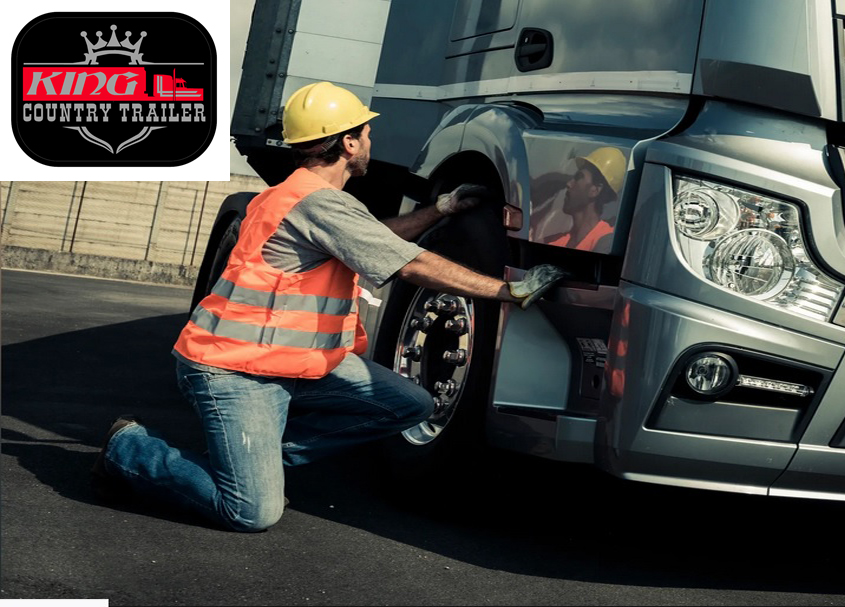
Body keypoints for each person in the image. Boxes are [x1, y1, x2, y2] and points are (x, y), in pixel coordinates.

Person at [90, 81, 568, 532]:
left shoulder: (301, 195)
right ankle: (129, 448)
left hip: (293, 364)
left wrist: (439, 210)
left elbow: (374, 240)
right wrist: (508, 291)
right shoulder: (319, 204)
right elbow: (407, 264)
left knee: (410, 403)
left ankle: (256, 459)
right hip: (235, 369)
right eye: (365, 132)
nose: (370, 139)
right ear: (349, 144)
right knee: (250, 511)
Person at [536, 147, 627, 251]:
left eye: (578, 177)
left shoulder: (607, 243)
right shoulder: (555, 241)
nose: (569, 184)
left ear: (595, 190)